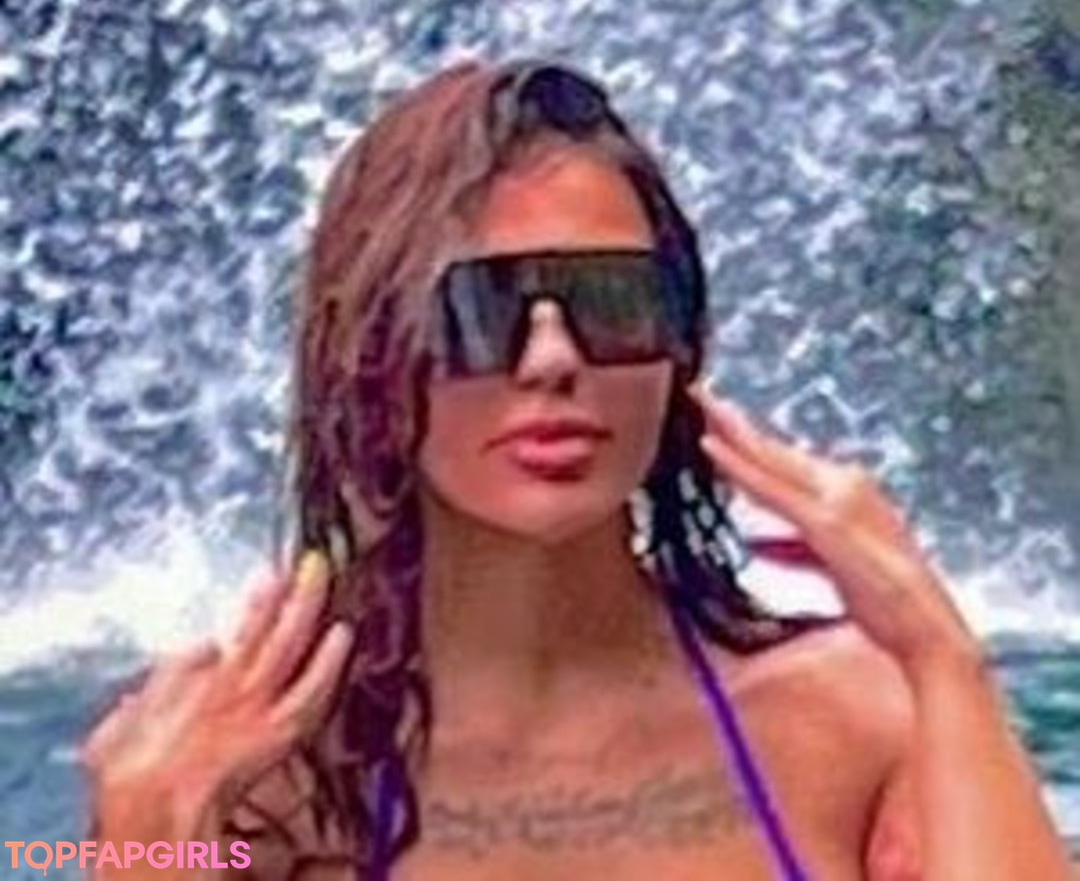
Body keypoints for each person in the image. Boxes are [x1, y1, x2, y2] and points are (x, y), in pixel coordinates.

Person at [79, 57, 1075, 880]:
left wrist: (944, 657)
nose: (552, 359)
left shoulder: (855, 720)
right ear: (370, 351)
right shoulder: (255, 784)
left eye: (611, 303)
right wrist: (141, 847)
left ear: (679, 345)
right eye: (479, 311)